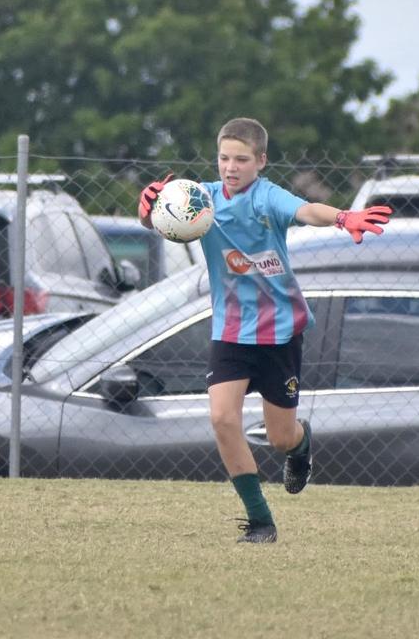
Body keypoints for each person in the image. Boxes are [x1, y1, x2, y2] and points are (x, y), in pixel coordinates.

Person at [138, 117, 391, 544]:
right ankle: (260, 521)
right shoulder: (202, 199)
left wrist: (343, 216)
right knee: (222, 418)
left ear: (260, 161)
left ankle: (300, 444)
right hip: (232, 331)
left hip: (279, 333)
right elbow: (163, 219)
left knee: (279, 437)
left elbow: (306, 210)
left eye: (241, 159)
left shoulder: (266, 197)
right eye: (223, 158)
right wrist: (148, 210)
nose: (230, 167)